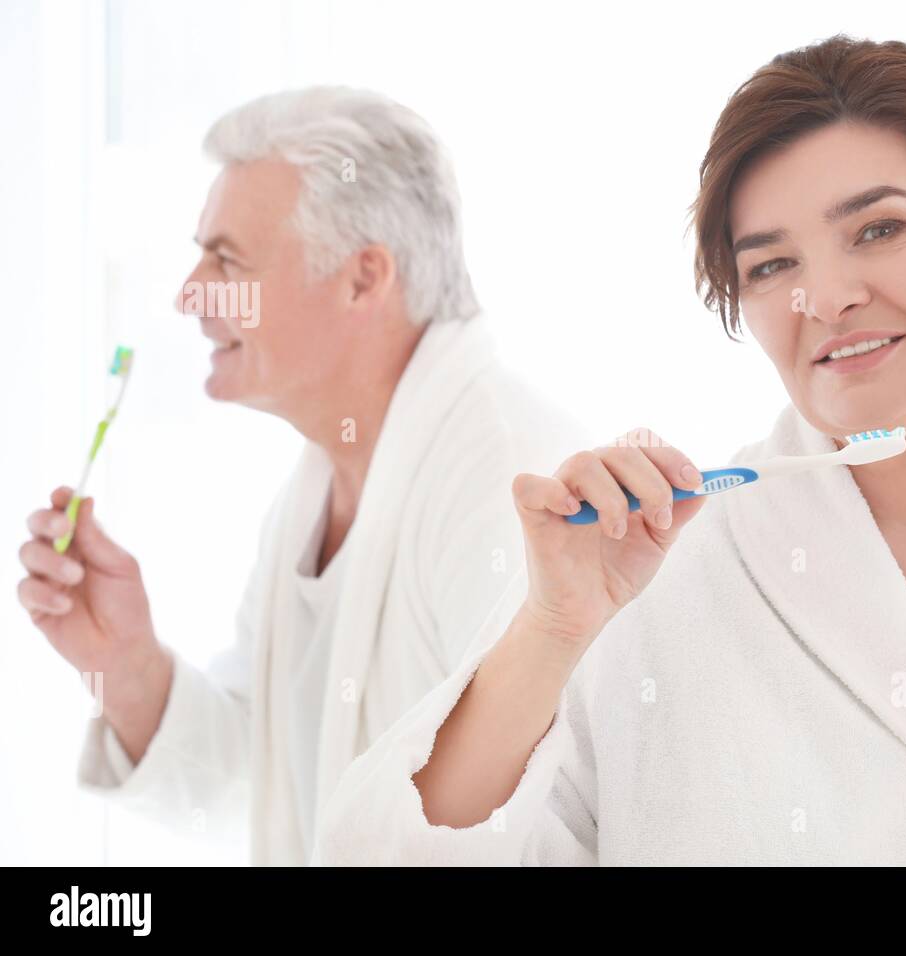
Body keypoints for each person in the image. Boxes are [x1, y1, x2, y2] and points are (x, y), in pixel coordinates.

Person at [313, 37, 906, 865]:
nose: (823, 298)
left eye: (877, 228)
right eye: (773, 263)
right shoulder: (648, 586)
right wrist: (552, 627)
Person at [16, 86, 588, 865]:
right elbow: (273, 785)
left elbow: (524, 831)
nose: (190, 294)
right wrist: (126, 665)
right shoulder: (317, 484)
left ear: (362, 279)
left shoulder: (509, 480)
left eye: (227, 260)